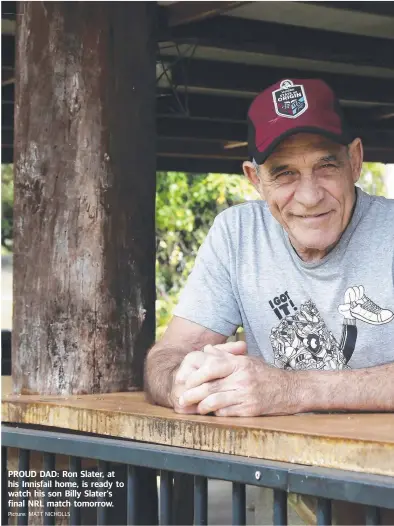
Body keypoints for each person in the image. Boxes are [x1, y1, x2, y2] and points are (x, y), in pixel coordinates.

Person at [144, 78, 394, 417]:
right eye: (285, 173)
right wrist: (180, 381)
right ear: (255, 179)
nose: (309, 196)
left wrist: (291, 389)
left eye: (326, 166)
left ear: (355, 160)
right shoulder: (238, 234)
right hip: (273, 468)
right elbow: (168, 356)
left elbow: (287, 391)